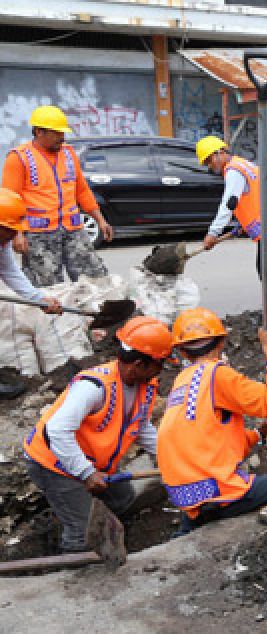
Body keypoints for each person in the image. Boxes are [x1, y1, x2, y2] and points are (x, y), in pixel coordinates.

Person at [158, 307, 267, 533]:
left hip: (190, 499)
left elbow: (212, 443)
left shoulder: (182, 382)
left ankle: (189, 528)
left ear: (183, 352)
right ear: (220, 343)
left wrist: (258, 434)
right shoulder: (217, 375)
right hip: (221, 495)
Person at [23, 317, 173, 553]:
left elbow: (141, 427)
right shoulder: (94, 387)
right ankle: (76, 575)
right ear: (138, 364)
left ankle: (96, 518)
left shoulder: (145, 386)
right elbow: (57, 431)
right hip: (54, 463)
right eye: (159, 364)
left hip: (96, 460)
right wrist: (87, 473)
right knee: (83, 536)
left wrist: (171, 456)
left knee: (122, 501)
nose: (161, 370)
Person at [1, 105, 113, 287]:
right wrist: (17, 234)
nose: (62, 137)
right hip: (39, 236)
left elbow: (82, 190)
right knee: (48, 289)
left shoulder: (68, 153)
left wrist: (100, 220)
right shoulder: (18, 157)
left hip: (73, 230)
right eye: (56, 133)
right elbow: (10, 199)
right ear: (39, 132)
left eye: (63, 132)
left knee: (95, 282)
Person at [194, 136, 267, 319]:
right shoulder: (241, 165)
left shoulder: (234, 170)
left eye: (210, 160)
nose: (210, 166)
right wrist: (242, 225)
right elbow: (253, 196)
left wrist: (213, 232)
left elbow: (229, 203)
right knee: (264, 269)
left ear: (220, 153)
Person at [0, 188, 62, 397]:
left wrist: (40, 300)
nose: (13, 235)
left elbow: (9, 271)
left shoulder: (3, 241)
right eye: (10, 230)